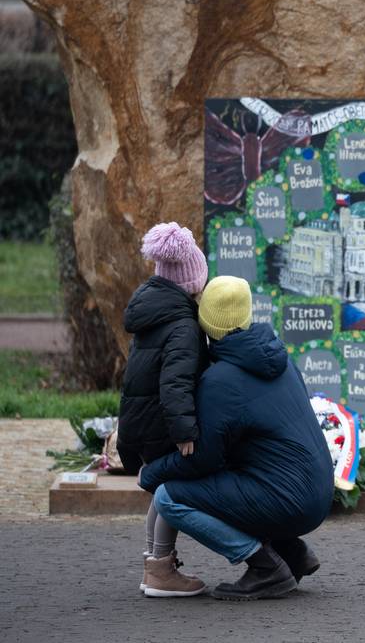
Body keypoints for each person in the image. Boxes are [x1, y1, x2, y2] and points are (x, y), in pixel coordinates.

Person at [138, 276, 334, 601]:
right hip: (318, 492)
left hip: (290, 501)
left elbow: (204, 460)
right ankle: (291, 552)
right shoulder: (279, 358)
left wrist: (152, 473)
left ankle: (265, 567)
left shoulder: (221, 380)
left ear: (205, 322)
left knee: (169, 497)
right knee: (235, 480)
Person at [118, 222, 209, 598]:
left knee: (162, 491)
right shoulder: (183, 325)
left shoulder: (152, 313)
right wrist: (184, 431)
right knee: (172, 489)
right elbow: (175, 383)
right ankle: (160, 568)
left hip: (140, 420)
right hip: (161, 423)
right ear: (191, 283)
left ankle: (153, 561)